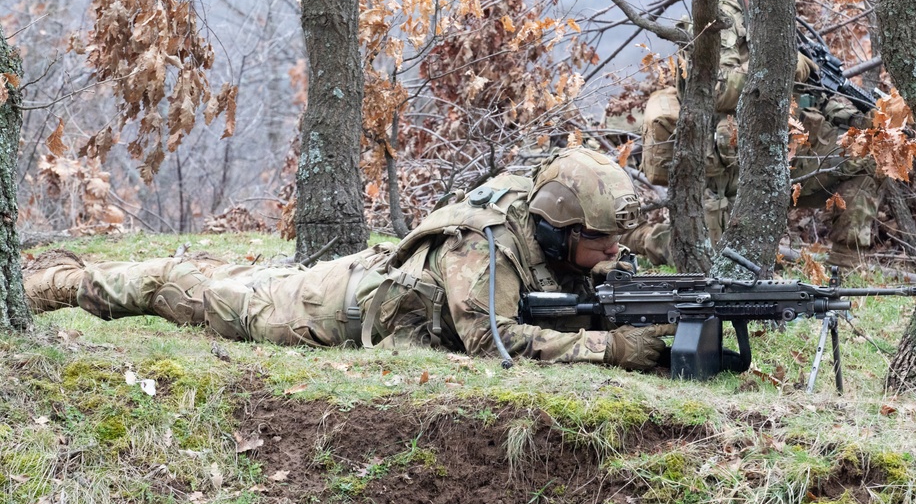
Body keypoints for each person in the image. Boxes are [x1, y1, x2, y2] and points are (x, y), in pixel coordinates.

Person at [25, 148, 675, 371]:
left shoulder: (553, 223)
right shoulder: (486, 247)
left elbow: (617, 252)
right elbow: (493, 341)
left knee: (227, 276)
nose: (612, 254)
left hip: (374, 283)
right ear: (558, 230)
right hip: (329, 308)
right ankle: (55, 285)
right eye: (600, 243)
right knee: (186, 287)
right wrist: (612, 349)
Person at [634, 0, 878, 266]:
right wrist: (784, 64)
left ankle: (845, 262)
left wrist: (856, 117)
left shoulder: (780, 22)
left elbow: (814, 96)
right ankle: (638, 236)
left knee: (870, 151)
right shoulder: (716, 19)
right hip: (728, 162)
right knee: (706, 257)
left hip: (783, 153)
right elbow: (714, 89)